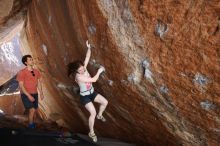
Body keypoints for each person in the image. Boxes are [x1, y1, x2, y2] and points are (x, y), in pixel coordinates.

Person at [67, 41, 108, 142]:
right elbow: (93, 80)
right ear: (76, 71)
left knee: (105, 102)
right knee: (92, 113)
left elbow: (87, 57)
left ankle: (100, 115)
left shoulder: (83, 68)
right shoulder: (79, 77)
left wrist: (88, 48)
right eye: (80, 70)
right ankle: (92, 132)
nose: (82, 70)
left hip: (92, 92)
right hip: (85, 97)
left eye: (82, 68)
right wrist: (99, 71)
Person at [16, 55, 44, 129]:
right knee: (32, 109)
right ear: (26, 62)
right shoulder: (22, 72)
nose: (32, 61)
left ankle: (32, 124)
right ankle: (30, 126)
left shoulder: (36, 71)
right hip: (25, 94)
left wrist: (41, 93)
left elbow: (38, 82)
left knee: (34, 110)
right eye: (30, 60)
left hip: (35, 93)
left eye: (32, 59)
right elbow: (21, 86)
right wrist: (28, 96)